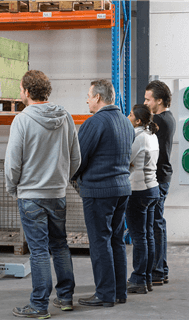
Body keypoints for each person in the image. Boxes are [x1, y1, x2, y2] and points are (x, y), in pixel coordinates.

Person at [5, 70, 81, 318]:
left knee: (38, 250)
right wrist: (61, 179)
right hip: (57, 193)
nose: (20, 93)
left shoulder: (22, 120)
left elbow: (13, 163)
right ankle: (66, 298)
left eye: (20, 89)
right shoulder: (66, 117)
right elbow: (75, 157)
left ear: (27, 92)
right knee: (60, 245)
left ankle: (39, 305)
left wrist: (12, 186)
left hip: (31, 195)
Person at [72, 79, 134, 307]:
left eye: (89, 95)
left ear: (98, 97)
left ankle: (104, 294)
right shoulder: (126, 122)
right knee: (116, 241)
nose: (87, 99)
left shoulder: (94, 122)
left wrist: (75, 178)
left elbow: (77, 159)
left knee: (99, 242)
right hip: (122, 189)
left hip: (99, 191)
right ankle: (119, 292)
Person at [126, 104, 160, 294]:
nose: (128, 117)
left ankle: (138, 279)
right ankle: (146, 278)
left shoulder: (138, 138)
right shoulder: (152, 136)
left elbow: (127, 162)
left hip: (138, 191)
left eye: (131, 115)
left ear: (138, 120)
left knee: (139, 237)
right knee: (147, 235)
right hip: (152, 189)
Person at [144, 81, 175, 286]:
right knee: (158, 224)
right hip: (162, 176)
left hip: (158, 178)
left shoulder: (160, 121)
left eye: (148, 99)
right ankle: (160, 269)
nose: (145, 103)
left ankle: (157, 270)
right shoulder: (167, 118)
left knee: (156, 225)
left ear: (159, 100)